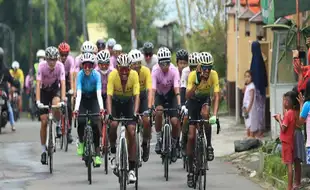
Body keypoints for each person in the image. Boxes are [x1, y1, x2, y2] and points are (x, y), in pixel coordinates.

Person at [185, 52, 219, 187]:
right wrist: (197, 82)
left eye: (209, 68)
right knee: (192, 136)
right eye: (204, 68)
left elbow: (216, 96)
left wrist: (214, 115)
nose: (207, 71)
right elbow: (187, 96)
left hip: (204, 100)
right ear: (199, 67)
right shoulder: (192, 75)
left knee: (206, 115)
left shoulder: (214, 75)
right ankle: (190, 172)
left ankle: (209, 145)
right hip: (193, 102)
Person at [106, 53, 140, 182]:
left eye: (127, 69)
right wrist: (109, 114)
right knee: (113, 125)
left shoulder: (134, 75)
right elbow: (109, 96)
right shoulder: (113, 75)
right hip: (116, 104)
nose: (125, 72)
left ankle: (131, 169)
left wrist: (136, 113)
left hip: (128, 104)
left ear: (130, 68)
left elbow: (136, 96)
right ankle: (113, 153)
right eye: (122, 69)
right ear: (117, 68)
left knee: (131, 131)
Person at [35, 46, 66, 165]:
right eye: (50, 60)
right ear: (46, 59)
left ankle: (57, 124)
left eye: (54, 59)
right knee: (43, 122)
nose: (52, 62)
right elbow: (38, 84)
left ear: (57, 59)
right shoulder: (41, 66)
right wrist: (38, 101)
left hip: (54, 90)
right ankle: (43, 150)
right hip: (43, 91)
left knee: (56, 104)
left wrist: (63, 99)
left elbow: (62, 83)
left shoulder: (60, 66)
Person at [73, 52, 104, 167]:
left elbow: (99, 93)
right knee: (81, 121)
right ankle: (81, 142)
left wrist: (101, 108)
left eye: (89, 66)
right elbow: (79, 94)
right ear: (82, 66)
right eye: (84, 65)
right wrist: (76, 109)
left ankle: (96, 155)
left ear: (93, 66)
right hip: (83, 100)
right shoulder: (80, 75)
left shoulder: (96, 75)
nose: (87, 68)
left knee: (96, 124)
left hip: (94, 99)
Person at [152, 47, 181, 162]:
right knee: (158, 112)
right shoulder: (154, 71)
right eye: (162, 63)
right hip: (159, 95)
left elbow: (177, 89)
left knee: (174, 121)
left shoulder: (174, 70)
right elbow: (152, 90)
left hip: (171, 95)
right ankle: (159, 139)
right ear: (158, 63)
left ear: (170, 62)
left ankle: (174, 145)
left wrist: (179, 105)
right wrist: (150, 106)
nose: (165, 66)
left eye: (167, 63)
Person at [128, 49, 152, 162]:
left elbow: (150, 89)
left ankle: (145, 143)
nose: (137, 66)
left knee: (146, 120)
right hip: (131, 97)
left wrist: (150, 106)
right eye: (134, 64)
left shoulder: (146, 71)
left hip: (142, 97)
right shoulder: (127, 73)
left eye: (139, 63)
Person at [274, 91, 301, 190]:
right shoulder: (293, 113)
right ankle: (290, 186)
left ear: (292, 103)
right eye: (284, 100)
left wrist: (279, 119)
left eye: (287, 101)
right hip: (290, 141)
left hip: (286, 142)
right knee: (289, 163)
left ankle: (289, 187)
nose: (285, 102)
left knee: (289, 165)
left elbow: (283, 128)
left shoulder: (288, 114)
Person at [180, 52, 200, 155]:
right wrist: (183, 104)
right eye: (191, 67)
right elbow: (183, 89)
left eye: (195, 67)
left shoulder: (203, 71)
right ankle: (183, 140)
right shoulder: (185, 72)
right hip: (189, 98)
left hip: (200, 98)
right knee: (185, 117)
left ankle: (203, 140)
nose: (193, 70)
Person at [250, 41, 268, 138]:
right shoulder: (259, 59)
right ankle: (259, 130)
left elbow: (256, 76)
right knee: (261, 109)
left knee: (258, 110)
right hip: (261, 89)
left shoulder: (255, 61)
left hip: (257, 90)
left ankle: (259, 130)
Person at [58, 42, 75, 142]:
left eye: (65, 54)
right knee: (59, 104)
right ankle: (59, 125)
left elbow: (72, 75)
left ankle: (68, 131)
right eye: (62, 54)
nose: (64, 57)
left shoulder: (70, 60)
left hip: (67, 81)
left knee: (69, 107)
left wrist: (72, 89)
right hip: (58, 82)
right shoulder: (57, 60)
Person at [0, 47, 20, 132]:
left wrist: (16, 83)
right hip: (4, 91)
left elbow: (11, 80)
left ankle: (12, 124)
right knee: (9, 107)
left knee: (8, 106)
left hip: (3, 92)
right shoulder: (5, 69)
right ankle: (12, 125)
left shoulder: (5, 69)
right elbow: (11, 80)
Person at [242, 70, 255, 138]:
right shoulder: (247, 86)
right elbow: (243, 92)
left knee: (250, 123)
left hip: (250, 109)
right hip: (245, 107)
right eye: (245, 77)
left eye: (248, 76)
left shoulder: (252, 86)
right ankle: (248, 136)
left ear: (252, 77)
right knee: (247, 123)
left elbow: (252, 99)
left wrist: (248, 109)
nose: (247, 78)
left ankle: (251, 137)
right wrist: (245, 85)